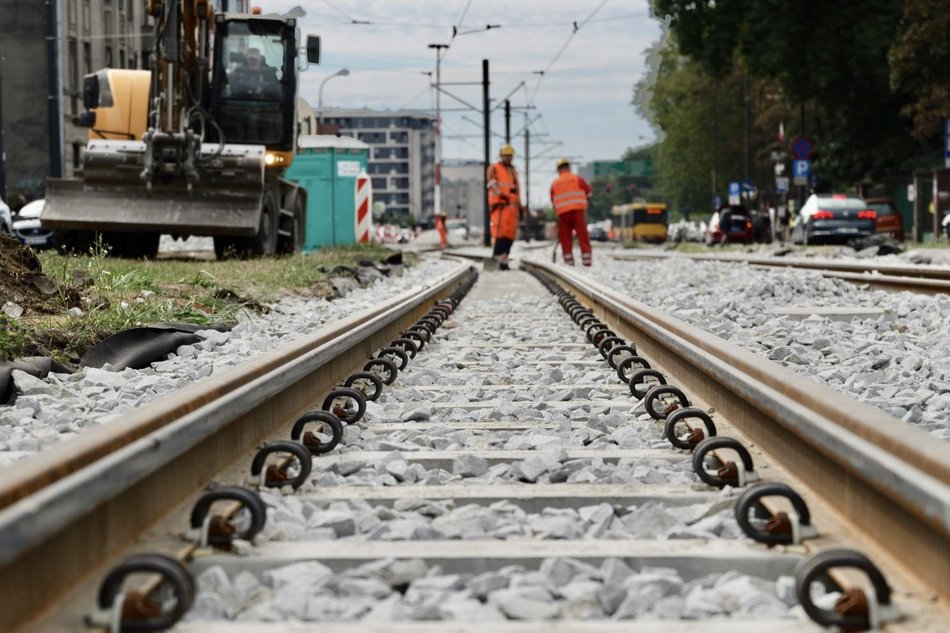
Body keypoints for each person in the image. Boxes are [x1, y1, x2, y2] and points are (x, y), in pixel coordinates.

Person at [550, 158, 593, 266]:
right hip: (578, 211)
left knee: (565, 238)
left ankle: (569, 261)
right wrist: (584, 200)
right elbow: (589, 193)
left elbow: (553, 199)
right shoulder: (577, 178)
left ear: (558, 169)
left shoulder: (555, 183)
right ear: (568, 167)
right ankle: (587, 260)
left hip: (563, 213)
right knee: (582, 235)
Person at [486, 144, 522, 270]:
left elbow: (517, 190)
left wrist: (520, 207)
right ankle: (497, 259)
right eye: (505, 155)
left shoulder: (513, 171)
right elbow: (492, 183)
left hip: (512, 208)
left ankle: (504, 260)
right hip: (500, 206)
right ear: (501, 156)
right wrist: (500, 194)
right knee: (500, 233)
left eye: (509, 155)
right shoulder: (494, 168)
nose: (508, 158)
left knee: (510, 235)